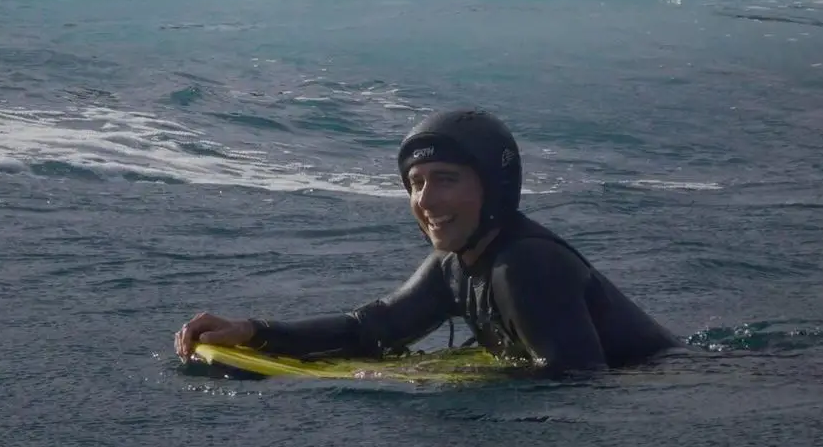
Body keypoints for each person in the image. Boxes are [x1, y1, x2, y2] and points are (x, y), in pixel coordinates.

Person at [174, 109, 680, 373]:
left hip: (683, 384)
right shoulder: (454, 265)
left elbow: (577, 382)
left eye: (446, 179)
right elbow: (371, 329)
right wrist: (253, 330)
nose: (426, 199)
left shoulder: (526, 266)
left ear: (494, 187)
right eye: (415, 183)